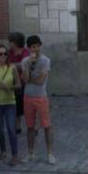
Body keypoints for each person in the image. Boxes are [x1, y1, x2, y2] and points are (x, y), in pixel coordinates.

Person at [21, 35, 55, 164]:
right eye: (33, 47)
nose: (36, 49)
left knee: (47, 125)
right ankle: (30, 153)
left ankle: (50, 153)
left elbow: (41, 81)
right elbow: (25, 80)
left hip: (41, 97)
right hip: (28, 97)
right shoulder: (25, 61)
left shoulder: (45, 60)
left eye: (38, 46)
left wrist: (30, 79)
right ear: (29, 48)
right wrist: (30, 65)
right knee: (30, 126)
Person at [7, 32, 28, 136]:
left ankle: (20, 126)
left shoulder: (24, 51)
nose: (9, 43)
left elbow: (23, 65)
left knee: (21, 104)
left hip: (23, 82)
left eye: (11, 41)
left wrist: (10, 66)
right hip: (11, 81)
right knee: (12, 104)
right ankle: (15, 125)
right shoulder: (9, 52)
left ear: (15, 42)